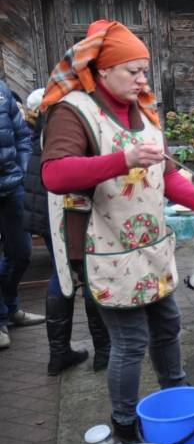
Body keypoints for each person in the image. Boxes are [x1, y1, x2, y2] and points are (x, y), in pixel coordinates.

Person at [40, 20, 194, 440]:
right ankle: (125, 424)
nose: (143, 78)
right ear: (104, 70)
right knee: (129, 343)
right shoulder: (75, 111)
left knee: (168, 327)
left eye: (144, 69)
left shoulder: (142, 110)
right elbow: (54, 175)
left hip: (151, 245)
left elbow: (165, 173)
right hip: (106, 248)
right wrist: (123, 159)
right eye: (133, 70)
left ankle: (178, 397)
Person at [22, 88, 109, 373]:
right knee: (89, 273)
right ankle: (104, 352)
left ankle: (60, 354)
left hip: (42, 199)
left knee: (62, 276)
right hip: (64, 204)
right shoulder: (76, 107)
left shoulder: (55, 103)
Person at [0, 82, 44, 351]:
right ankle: (2, 318)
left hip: (12, 185)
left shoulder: (3, 91)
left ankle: (11, 306)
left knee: (21, 253)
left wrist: (25, 172)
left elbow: (21, 137)